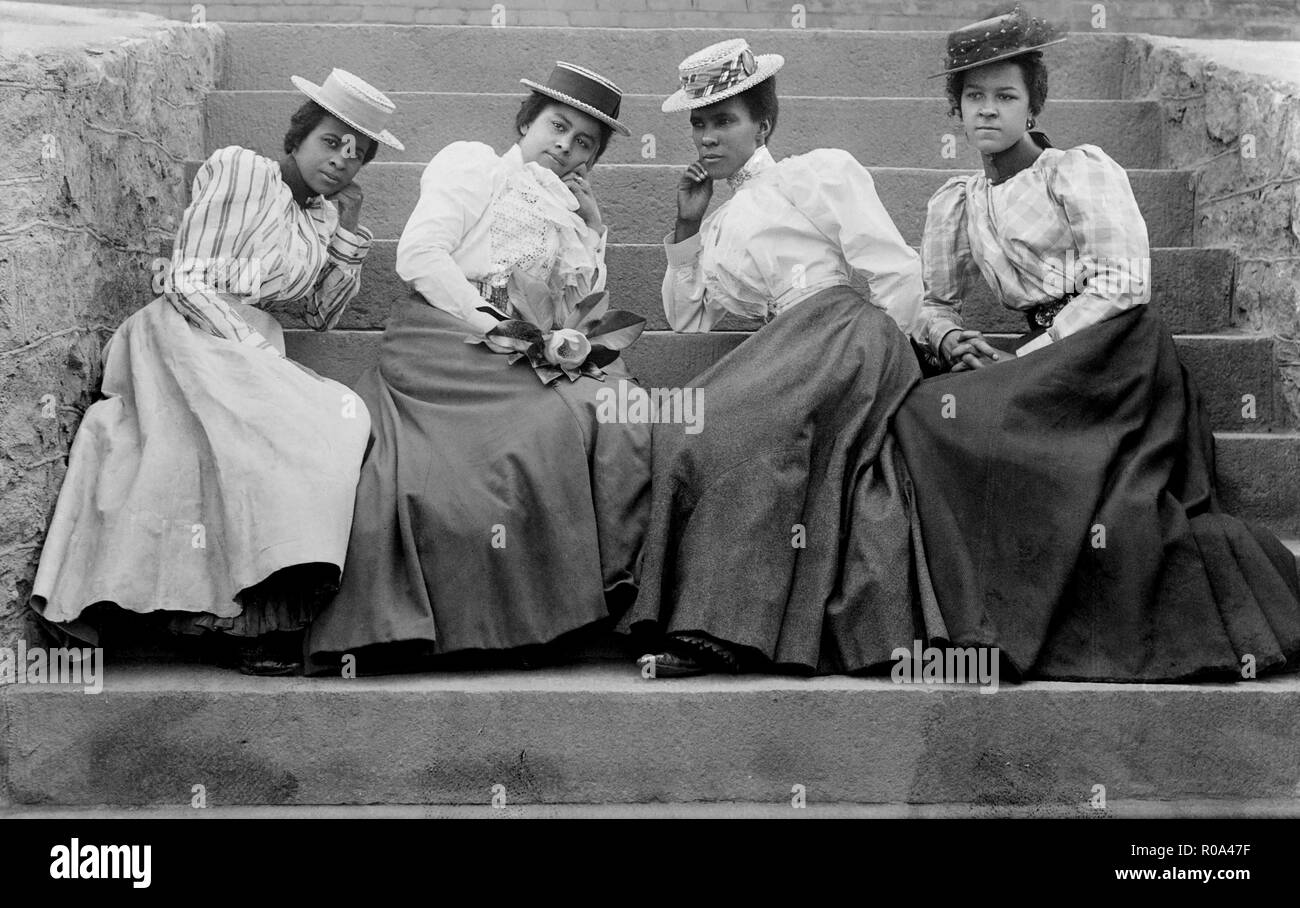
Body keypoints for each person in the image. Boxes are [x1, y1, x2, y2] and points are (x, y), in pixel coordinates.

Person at [893, 5, 1300, 681]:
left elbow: (1123, 280)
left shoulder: (1075, 171)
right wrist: (953, 337)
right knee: (922, 412)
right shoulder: (954, 204)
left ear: (1034, 103)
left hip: (1112, 348)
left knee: (1024, 432)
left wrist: (1034, 355)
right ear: (955, 110)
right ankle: (975, 611)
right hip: (1042, 355)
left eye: (1005, 96)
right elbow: (932, 302)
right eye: (973, 98)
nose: (988, 112)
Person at [30, 69, 402, 674]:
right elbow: (187, 276)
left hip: (250, 344)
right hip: (186, 326)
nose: (342, 161)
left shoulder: (322, 219)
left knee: (339, 418)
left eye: (357, 155)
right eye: (332, 141)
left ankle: (243, 611)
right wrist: (245, 353)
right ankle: (229, 616)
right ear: (300, 134)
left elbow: (319, 314)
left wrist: (348, 236)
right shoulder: (241, 170)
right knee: (293, 420)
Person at [306, 63, 651, 674]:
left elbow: (579, 301)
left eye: (583, 143)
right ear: (526, 121)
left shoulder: (569, 211)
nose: (564, 146)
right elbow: (420, 254)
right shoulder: (475, 168)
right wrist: (488, 322)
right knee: (497, 448)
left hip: (528, 344)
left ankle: (581, 602)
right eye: (556, 126)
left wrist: (593, 231)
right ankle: (485, 618)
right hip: (449, 332)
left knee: (611, 407)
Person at [619, 39, 945, 677]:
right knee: (693, 427)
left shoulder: (813, 173)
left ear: (763, 124)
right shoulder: (716, 224)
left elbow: (892, 265)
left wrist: (900, 355)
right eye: (699, 124)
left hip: (844, 331)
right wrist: (686, 230)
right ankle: (712, 622)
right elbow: (691, 321)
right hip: (783, 343)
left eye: (725, 121)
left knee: (738, 429)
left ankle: (722, 629)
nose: (707, 138)